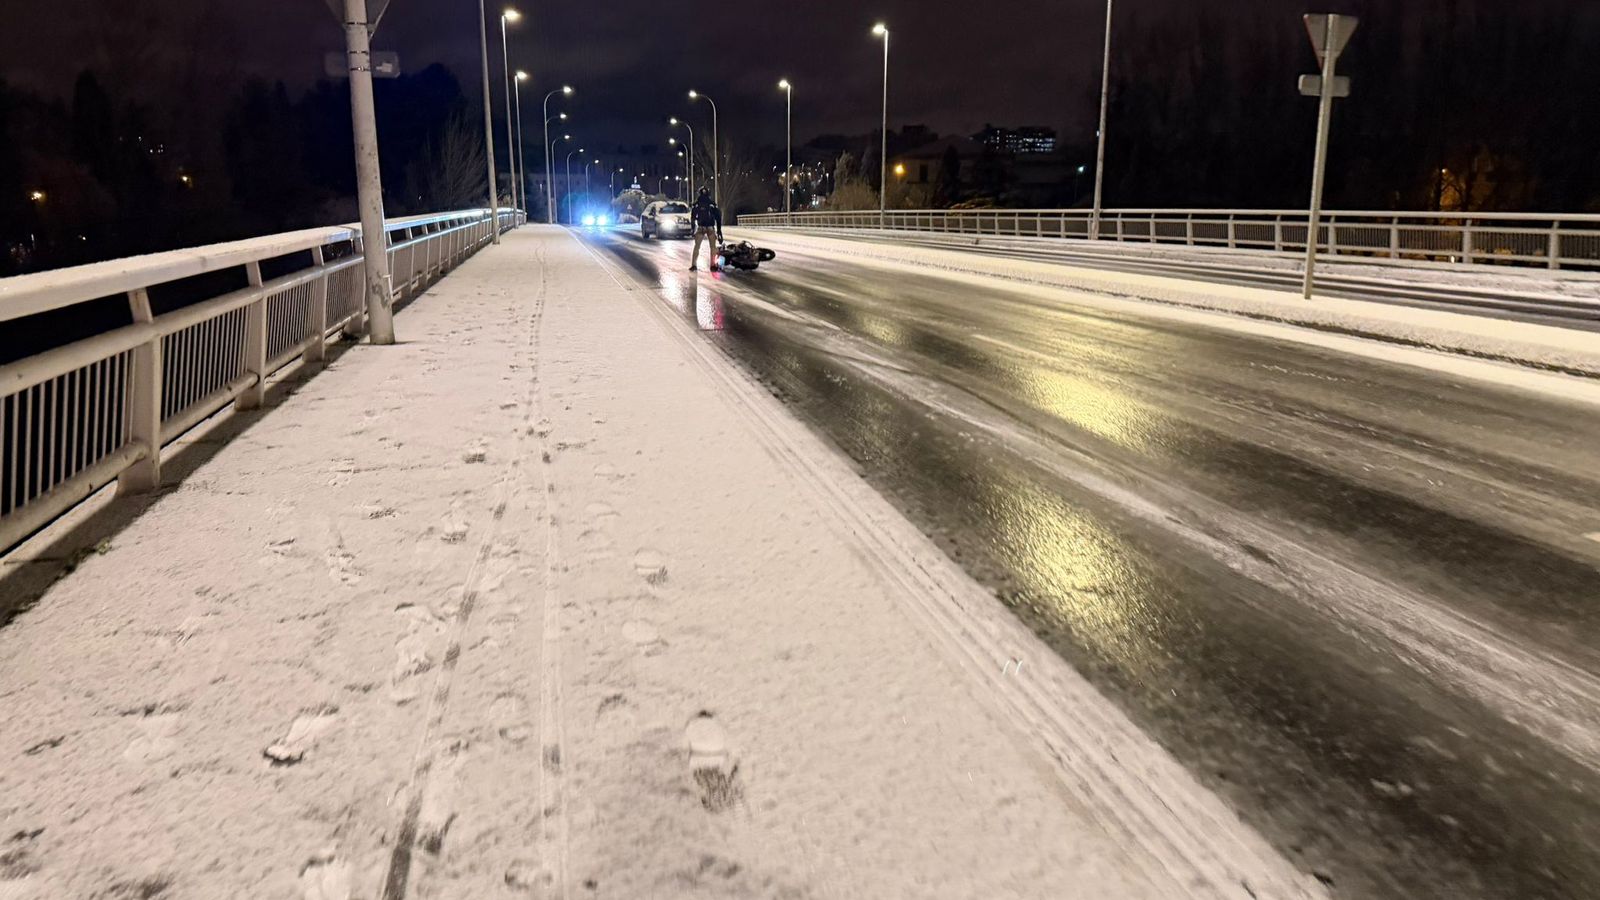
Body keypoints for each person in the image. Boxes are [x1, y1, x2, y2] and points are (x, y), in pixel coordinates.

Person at [688, 187, 724, 272]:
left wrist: (693, 229)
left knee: (697, 247)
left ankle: (693, 265)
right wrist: (719, 232)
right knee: (713, 247)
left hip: (701, 228)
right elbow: (718, 218)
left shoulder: (696, 204)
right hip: (710, 228)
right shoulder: (712, 204)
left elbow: (693, 218)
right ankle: (713, 265)